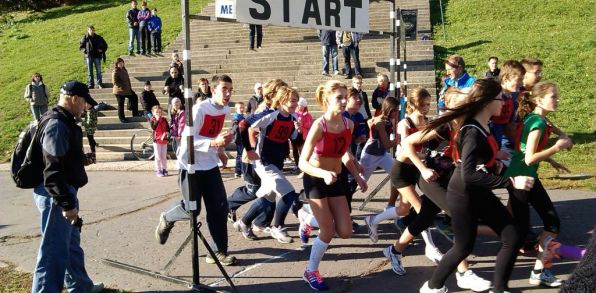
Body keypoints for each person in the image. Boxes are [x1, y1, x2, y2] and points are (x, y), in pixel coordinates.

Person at [419, 79, 535, 293]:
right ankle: (432, 287)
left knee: (512, 236)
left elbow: (477, 162)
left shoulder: (483, 124)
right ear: (487, 101)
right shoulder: (472, 131)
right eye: (500, 98)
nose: (504, 103)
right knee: (463, 247)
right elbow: (468, 174)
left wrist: (494, 163)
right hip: (463, 194)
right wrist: (510, 181)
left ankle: (498, 289)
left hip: (477, 191)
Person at [385, 88, 492, 292]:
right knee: (425, 211)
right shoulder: (407, 123)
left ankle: (395, 250)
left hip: (425, 170)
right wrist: (423, 169)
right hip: (405, 170)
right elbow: (407, 147)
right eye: (423, 104)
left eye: (428, 104)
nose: (426, 108)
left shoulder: (440, 122)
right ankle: (462, 270)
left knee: (424, 217)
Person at [155, 75, 236, 266]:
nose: (228, 93)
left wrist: (220, 151)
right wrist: (213, 143)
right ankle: (167, 217)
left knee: (219, 208)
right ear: (213, 89)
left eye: (231, 90)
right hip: (189, 164)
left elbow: (213, 133)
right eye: (224, 89)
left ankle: (218, 252)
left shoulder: (224, 109)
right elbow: (187, 139)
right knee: (192, 209)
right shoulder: (199, 109)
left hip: (209, 165)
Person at [31, 80, 103, 293]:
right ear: (74, 99)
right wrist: (66, 204)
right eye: (84, 103)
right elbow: (52, 170)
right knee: (53, 251)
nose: (85, 108)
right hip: (56, 195)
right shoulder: (57, 124)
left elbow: (61, 158)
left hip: (63, 191)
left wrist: (81, 160)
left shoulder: (64, 121)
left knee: (70, 245)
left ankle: (81, 286)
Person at [298, 80, 367, 290]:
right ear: (327, 99)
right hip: (315, 178)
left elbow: (345, 154)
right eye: (339, 97)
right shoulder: (319, 126)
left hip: (335, 179)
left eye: (345, 96)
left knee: (345, 231)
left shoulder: (349, 124)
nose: (344, 101)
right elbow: (302, 162)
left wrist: (357, 176)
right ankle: (311, 270)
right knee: (327, 231)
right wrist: (322, 173)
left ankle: (308, 219)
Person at [505, 81, 572, 288]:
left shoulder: (535, 118)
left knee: (517, 228)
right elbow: (529, 158)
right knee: (527, 228)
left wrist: (551, 160)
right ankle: (465, 231)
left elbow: (526, 149)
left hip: (523, 177)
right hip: (522, 178)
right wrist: (557, 148)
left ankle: (539, 271)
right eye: (553, 96)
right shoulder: (538, 123)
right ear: (539, 99)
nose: (557, 100)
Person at [237, 86, 302, 244]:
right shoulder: (270, 115)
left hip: (276, 162)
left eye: (296, 101)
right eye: (292, 100)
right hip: (264, 162)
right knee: (288, 193)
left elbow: (297, 140)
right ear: (282, 100)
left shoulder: (291, 119)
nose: (295, 103)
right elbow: (243, 125)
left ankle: (244, 222)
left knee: (268, 197)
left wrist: (300, 133)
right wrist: (249, 149)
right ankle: (277, 226)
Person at [490, 60, 525, 148]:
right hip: (492, 143)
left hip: (505, 140)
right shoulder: (494, 97)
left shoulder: (512, 95)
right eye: (519, 80)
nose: (522, 83)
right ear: (505, 79)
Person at [112, 57, 139, 122]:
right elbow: (115, 82)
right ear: (117, 64)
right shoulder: (115, 71)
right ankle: (122, 118)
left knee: (134, 97)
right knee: (121, 105)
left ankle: (135, 113)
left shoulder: (124, 69)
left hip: (127, 89)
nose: (121, 64)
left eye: (122, 63)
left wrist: (129, 87)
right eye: (119, 63)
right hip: (119, 91)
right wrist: (122, 86)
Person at [293, 97, 313, 170]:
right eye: (298, 105)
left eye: (300, 105)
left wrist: (302, 124)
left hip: (303, 135)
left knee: (302, 150)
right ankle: (297, 164)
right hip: (294, 134)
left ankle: (303, 165)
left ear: (304, 106)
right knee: (295, 150)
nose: (298, 106)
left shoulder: (307, 115)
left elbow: (309, 125)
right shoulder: (294, 113)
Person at [150, 105, 169, 177]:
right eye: (156, 112)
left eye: (160, 112)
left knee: (164, 156)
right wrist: (157, 120)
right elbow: (153, 127)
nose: (158, 113)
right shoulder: (153, 119)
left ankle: (164, 169)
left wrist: (167, 132)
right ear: (153, 113)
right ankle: (158, 170)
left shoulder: (164, 119)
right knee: (158, 156)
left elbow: (167, 128)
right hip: (157, 140)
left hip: (164, 140)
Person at [232, 102, 246, 178]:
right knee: (241, 155)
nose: (242, 109)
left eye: (243, 107)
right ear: (236, 109)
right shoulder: (236, 117)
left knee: (240, 155)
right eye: (240, 107)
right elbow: (236, 128)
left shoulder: (242, 117)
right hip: (239, 138)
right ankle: (240, 171)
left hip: (242, 138)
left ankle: (238, 171)